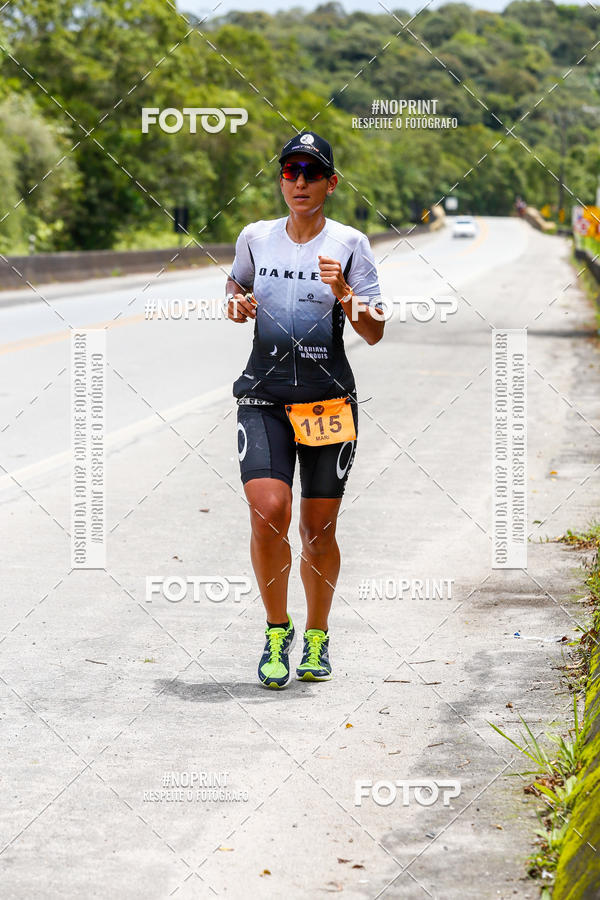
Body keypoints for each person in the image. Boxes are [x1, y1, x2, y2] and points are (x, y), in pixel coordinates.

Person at [225, 130, 384, 688]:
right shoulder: (256, 237)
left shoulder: (350, 244)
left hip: (326, 400)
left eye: (311, 173)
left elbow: (375, 329)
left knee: (318, 531)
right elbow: (235, 284)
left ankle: (317, 636)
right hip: (263, 394)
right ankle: (276, 629)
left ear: (330, 183)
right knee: (269, 511)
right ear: (281, 179)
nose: (299, 181)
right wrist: (236, 302)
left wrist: (344, 292)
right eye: (290, 171)